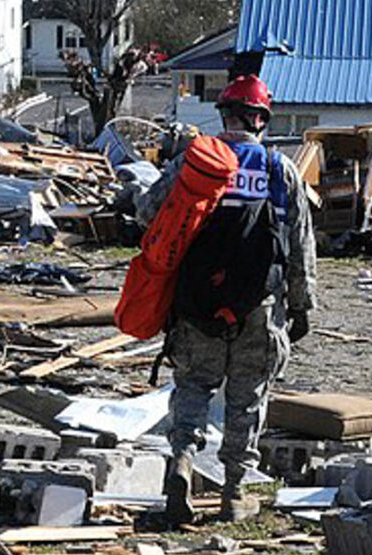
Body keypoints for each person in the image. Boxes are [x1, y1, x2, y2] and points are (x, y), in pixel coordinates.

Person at [136, 74, 318, 525]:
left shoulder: (195, 164)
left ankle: (181, 461)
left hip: (196, 305)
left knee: (194, 386)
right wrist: (302, 304)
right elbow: (300, 244)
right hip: (260, 306)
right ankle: (234, 492)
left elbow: (145, 213)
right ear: (262, 119)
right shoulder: (280, 170)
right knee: (247, 397)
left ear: (224, 114)